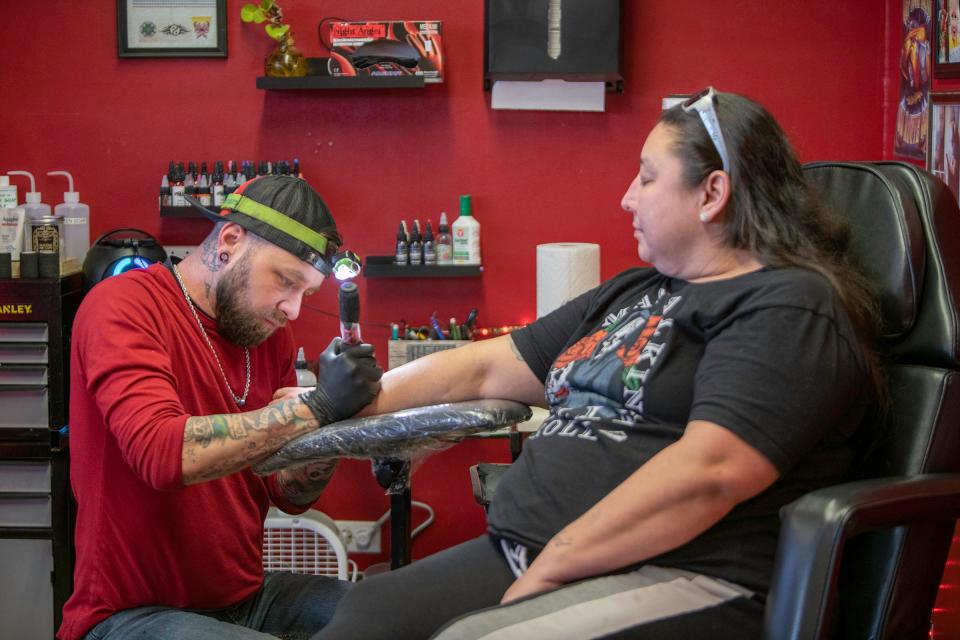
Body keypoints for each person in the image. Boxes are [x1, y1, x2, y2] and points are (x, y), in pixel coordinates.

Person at [304, 89, 883, 639]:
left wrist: (557, 562)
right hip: (528, 550)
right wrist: (354, 397)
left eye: (648, 177)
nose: (627, 196)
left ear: (712, 194)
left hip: (685, 572)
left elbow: (710, 474)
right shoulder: (634, 290)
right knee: (368, 613)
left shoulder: (787, 304)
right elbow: (486, 366)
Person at [58, 175, 383, 640]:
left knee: (392, 616)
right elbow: (161, 453)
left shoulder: (267, 334)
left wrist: (334, 427)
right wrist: (318, 407)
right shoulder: (123, 305)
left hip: (246, 599)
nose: (292, 309)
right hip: (128, 613)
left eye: (305, 295)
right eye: (286, 282)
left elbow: (289, 495)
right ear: (230, 241)